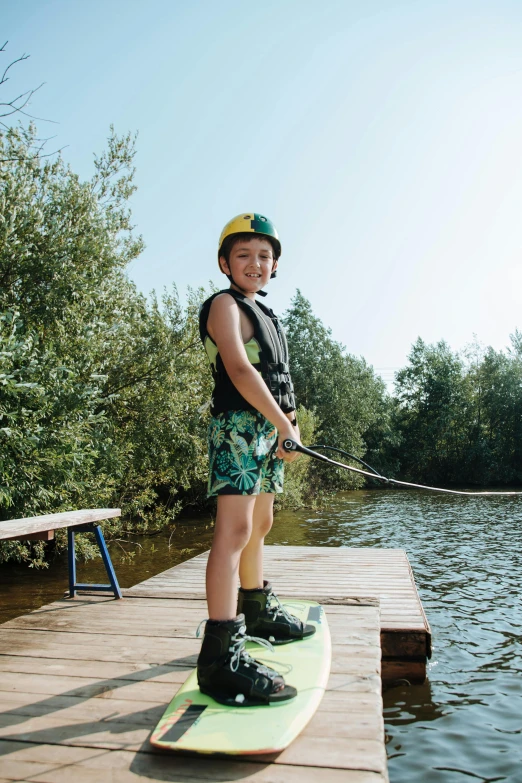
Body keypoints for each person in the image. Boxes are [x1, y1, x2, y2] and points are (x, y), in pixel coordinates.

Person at [196, 213, 315, 707]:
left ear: (275, 266)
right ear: (225, 263)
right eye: (243, 254)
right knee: (234, 532)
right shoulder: (225, 306)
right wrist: (281, 424)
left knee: (261, 523)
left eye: (264, 255)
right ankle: (221, 657)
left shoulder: (266, 313)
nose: (255, 263)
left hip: (269, 430)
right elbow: (241, 370)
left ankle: (258, 610)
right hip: (239, 430)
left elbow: (275, 376)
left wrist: (289, 423)